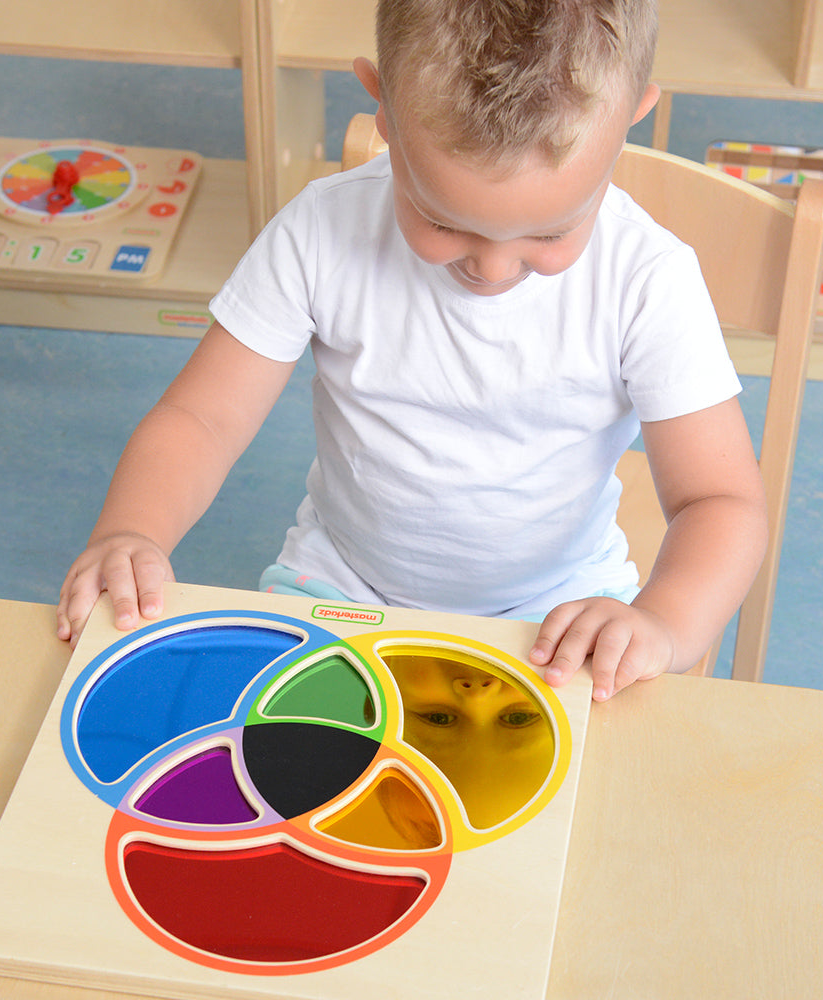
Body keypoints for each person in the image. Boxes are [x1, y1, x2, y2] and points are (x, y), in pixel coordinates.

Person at [57, 0, 767, 703]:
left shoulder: (648, 280)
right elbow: (202, 420)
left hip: (564, 613)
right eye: (442, 220)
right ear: (383, 111)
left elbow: (720, 501)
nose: (492, 268)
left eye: (550, 232)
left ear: (633, 116)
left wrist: (662, 623)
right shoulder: (319, 231)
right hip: (343, 587)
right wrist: (130, 530)